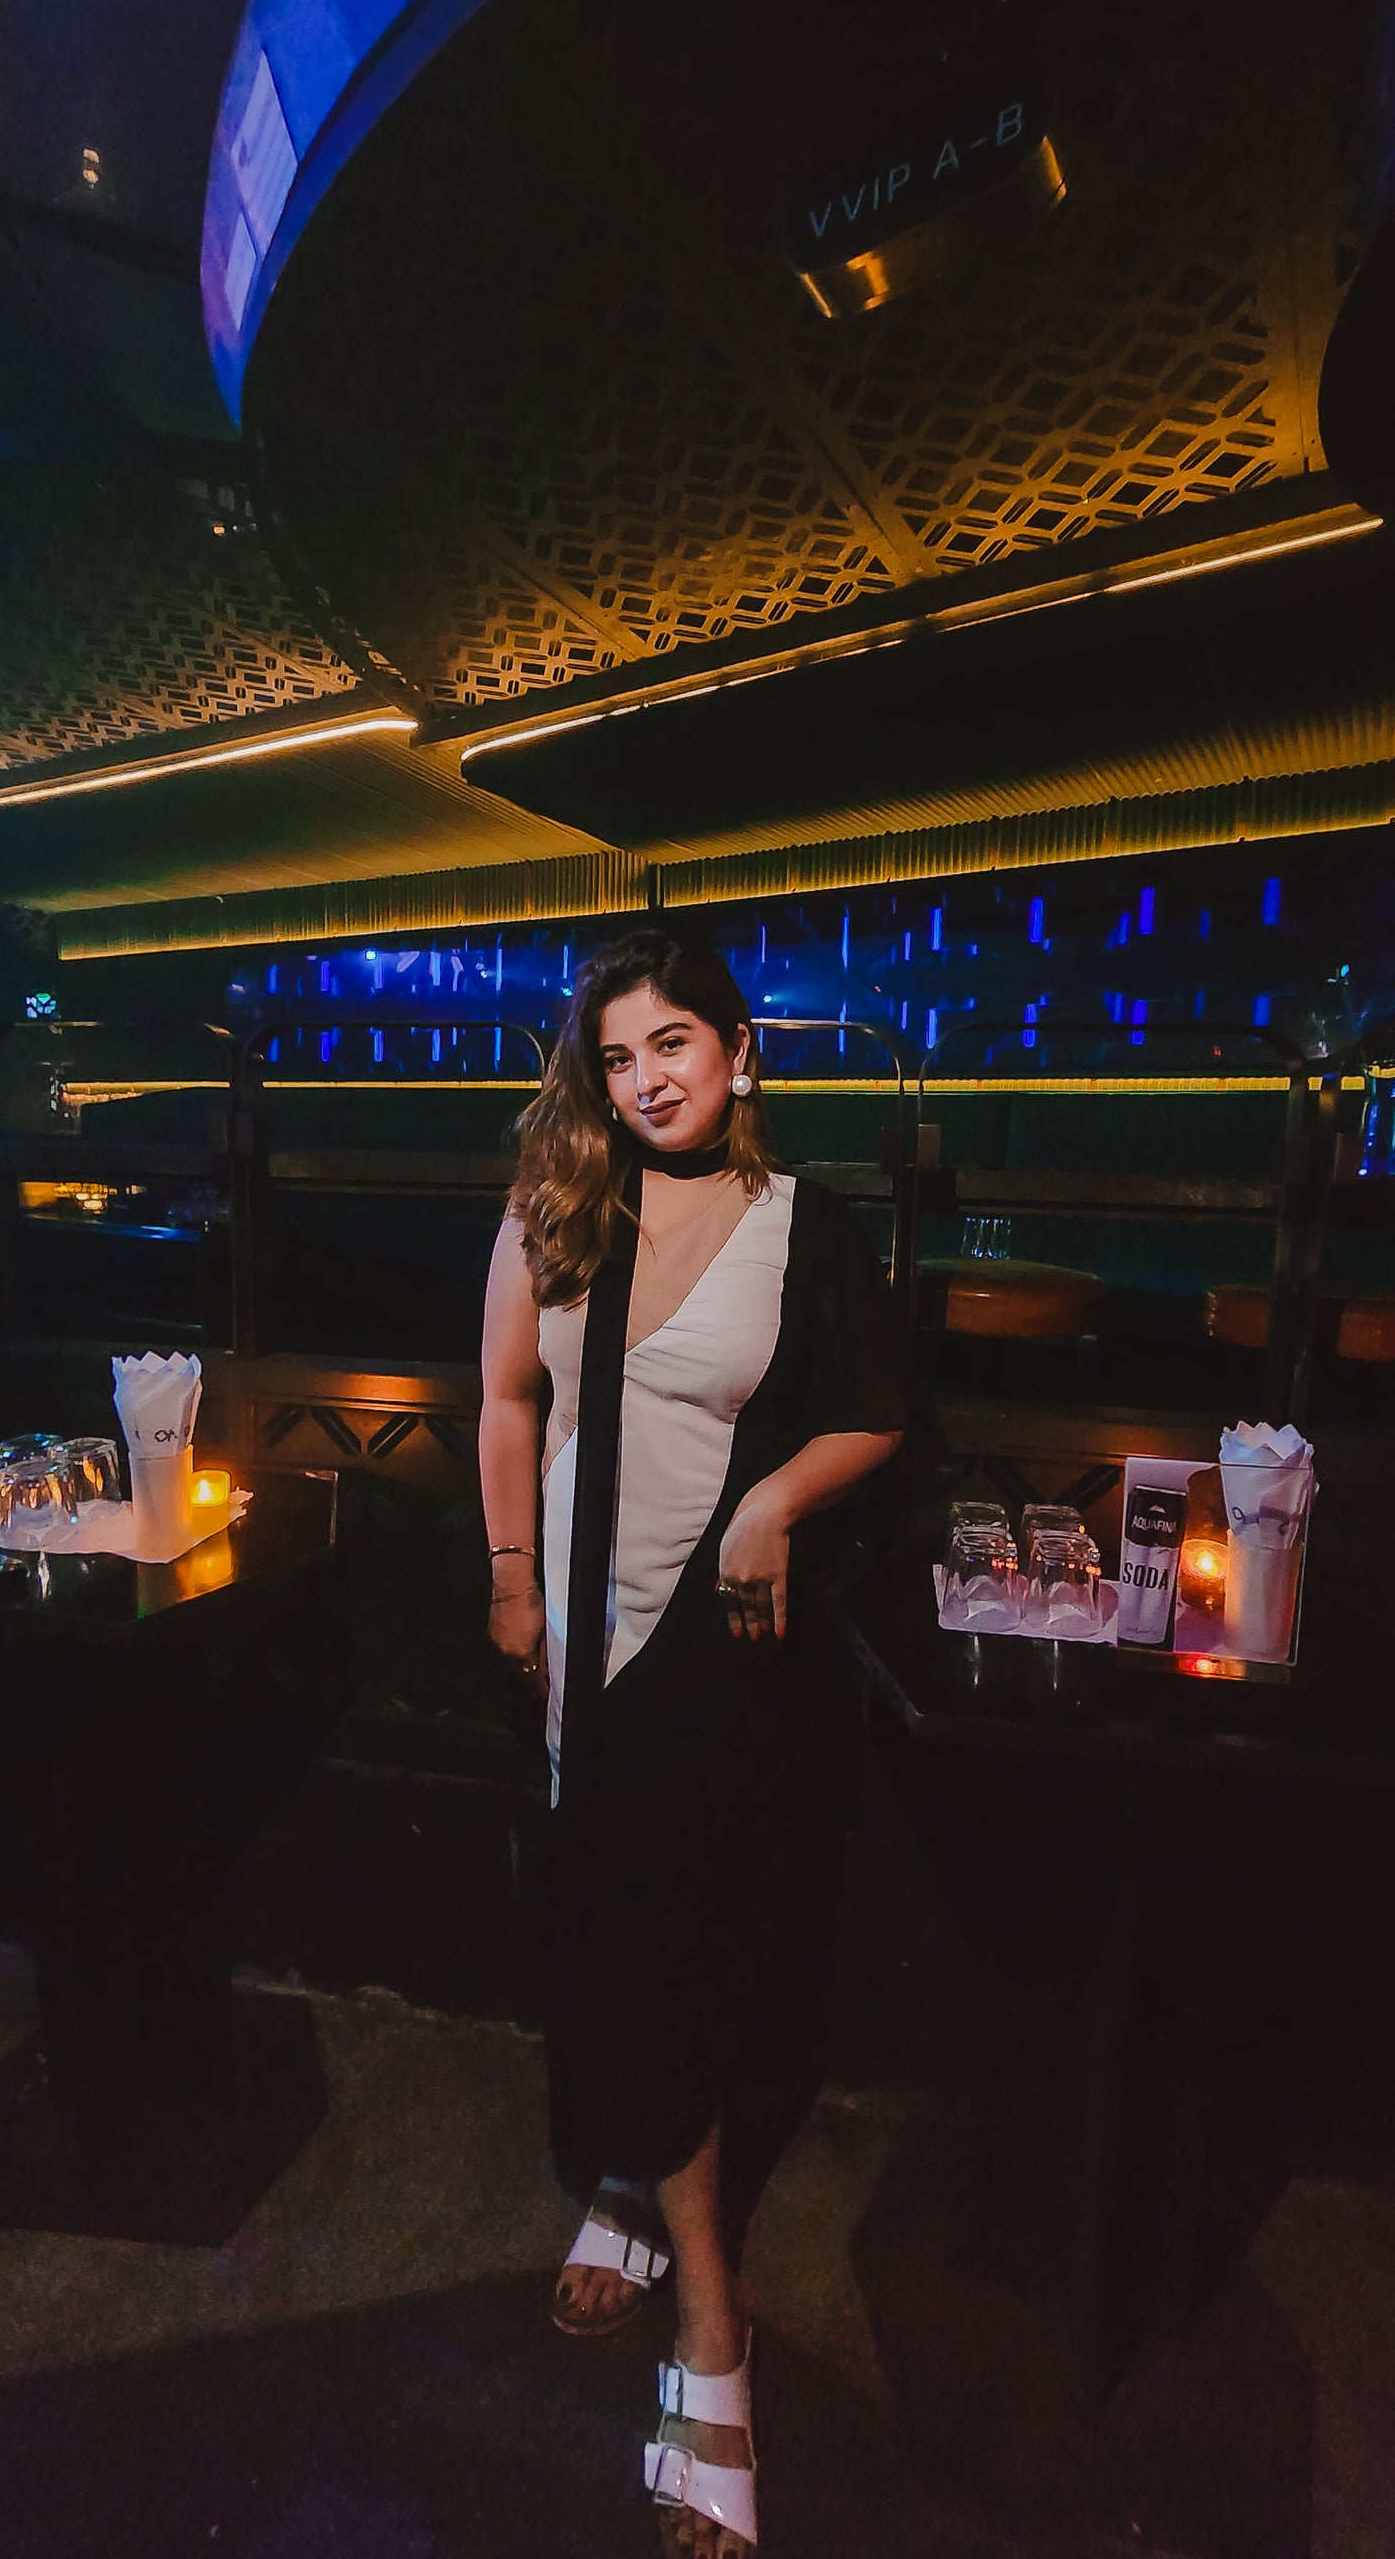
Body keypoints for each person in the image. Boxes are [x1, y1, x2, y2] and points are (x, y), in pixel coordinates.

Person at [479, 929, 907, 2557]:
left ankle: (704, 2323)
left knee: (677, 1939)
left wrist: (775, 1500)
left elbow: (876, 1407)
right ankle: (644, 2201)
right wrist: (508, 1578)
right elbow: (508, 1402)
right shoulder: (553, 1204)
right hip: (573, 1639)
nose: (647, 1077)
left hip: (708, 1647)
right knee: (608, 1927)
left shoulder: (802, 1223)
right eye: (618, 1054)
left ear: (741, 1051)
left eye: (674, 1042)